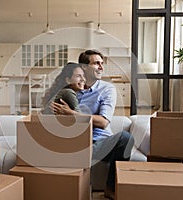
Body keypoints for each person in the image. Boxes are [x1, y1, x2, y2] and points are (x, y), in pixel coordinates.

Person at [52, 49, 134, 200]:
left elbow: (103, 122)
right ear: (84, 67)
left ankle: (110, 188)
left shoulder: (107, 89)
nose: (101, 67)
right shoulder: (71, 89)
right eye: (96, 63)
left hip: (100, 142)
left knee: (126, 137)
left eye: (102, 63)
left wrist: (72, 114)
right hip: (76, 141)